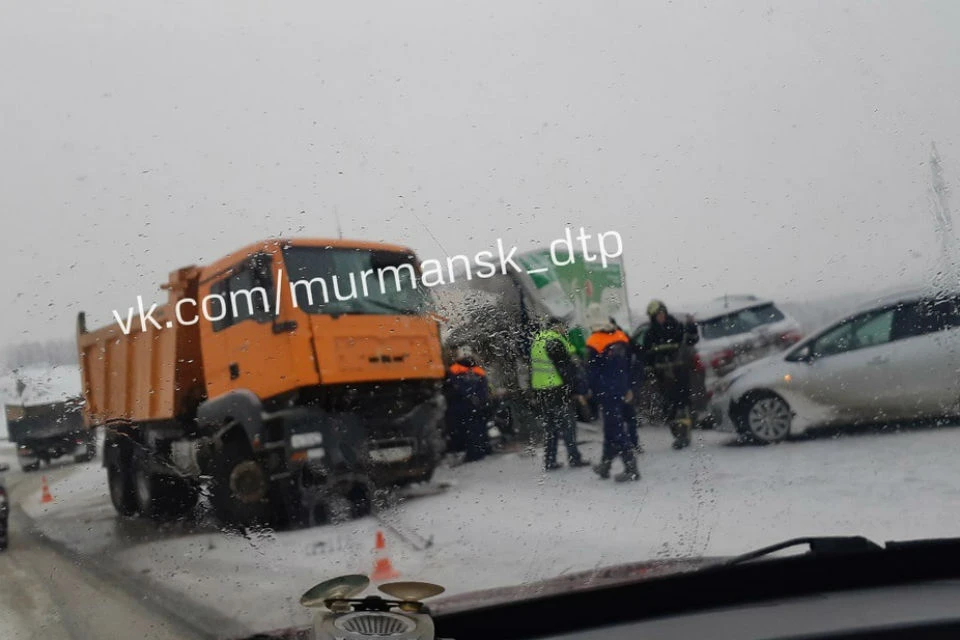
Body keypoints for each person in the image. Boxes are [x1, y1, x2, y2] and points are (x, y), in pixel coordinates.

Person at [584, 306, 640, 482]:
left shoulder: (594, 341)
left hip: (607, 391)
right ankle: (605, 465)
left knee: (615, 429)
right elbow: (632, 363)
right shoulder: (620, 336)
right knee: (611, 428)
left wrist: (588, 391)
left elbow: (591, 371)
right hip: (622, 389)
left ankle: (631, 468)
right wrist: (630, 386)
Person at [530, 316, 591, 471]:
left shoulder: (538, 340)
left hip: (542, 391)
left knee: (550, 428)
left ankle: (550, 461)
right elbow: (565, 370)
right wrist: (574, 391)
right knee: (568, 425)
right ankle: (574, 458)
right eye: (562, 327)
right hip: (557, 390)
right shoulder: (554, 341)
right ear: (555, 327)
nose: (564, 330)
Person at [640, 299, 700, 449]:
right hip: (663, 376)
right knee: (669, 408)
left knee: (682, 405)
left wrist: (692, 327)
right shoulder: (650, 334)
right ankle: (677, 434)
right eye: (657, 315)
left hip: (680, 372)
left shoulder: (676, 327)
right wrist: (649, 370)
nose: (660, 317)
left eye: (662, 313)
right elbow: (646, 356)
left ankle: (684, 435)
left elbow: (692, 340)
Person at [444, 345, 490, 463]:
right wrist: (479, 398)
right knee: (478, 428)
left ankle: (471, 453)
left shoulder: (453, 369)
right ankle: (481, 450)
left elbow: (455, 386)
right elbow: (483, 387)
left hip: (460, 405)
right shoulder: (478, 369)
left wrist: (468, 396)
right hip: (476, 405)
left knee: (464, 430)